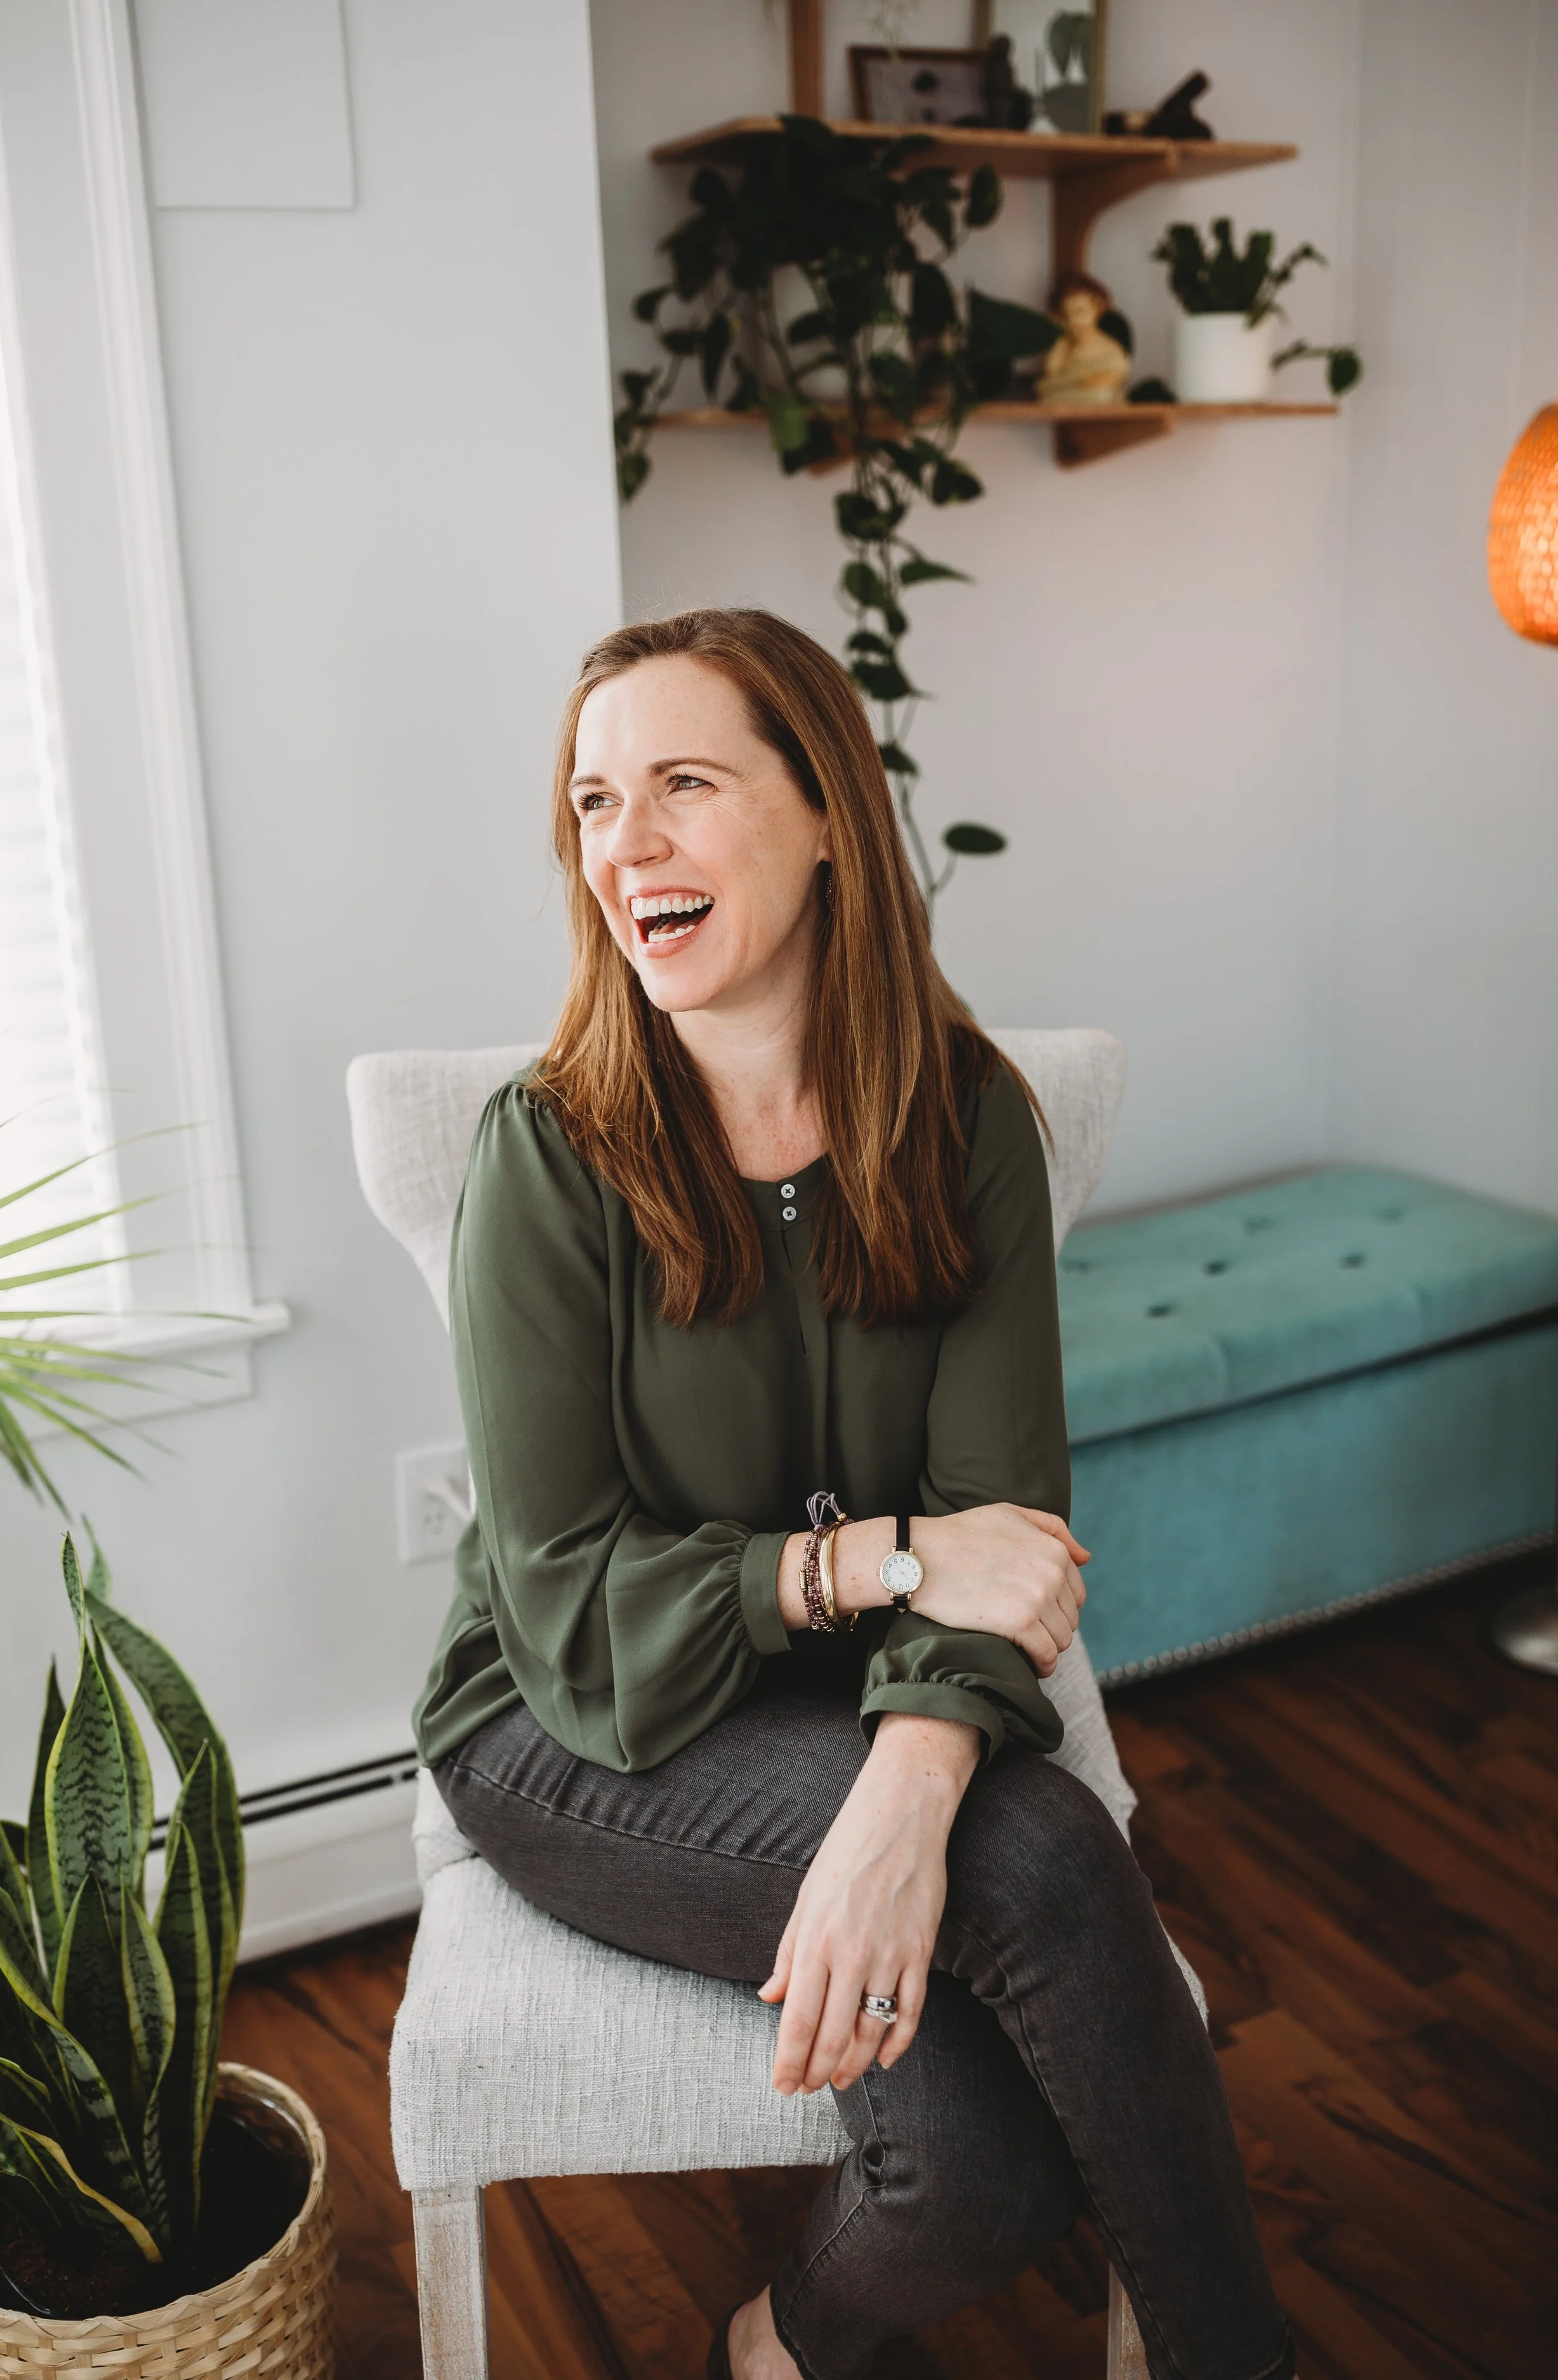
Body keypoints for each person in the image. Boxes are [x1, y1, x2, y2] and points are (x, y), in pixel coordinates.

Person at [414, 609, 1295, 2380]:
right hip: (575, 1724)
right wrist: (876, 1560)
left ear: (824, 812)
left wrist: (898, 1798)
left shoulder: (965, 1117)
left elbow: (1010, 1539)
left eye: (682, 783)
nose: (623, 844)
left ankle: (778, 2341)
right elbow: (577, 1599)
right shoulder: (545, 1153)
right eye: (593, 801)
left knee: (977, 2170)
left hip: (841, 1708)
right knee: (1046, 1850)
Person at [1038, 268, 1132, 405]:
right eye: (1066, 315)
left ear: (1097, 310)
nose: (1074, 321)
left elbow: (1109, 379)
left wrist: (1072, 382)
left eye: (1080, 312)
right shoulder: (1063, 347)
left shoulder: (1110, 351)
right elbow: (1047, 382)